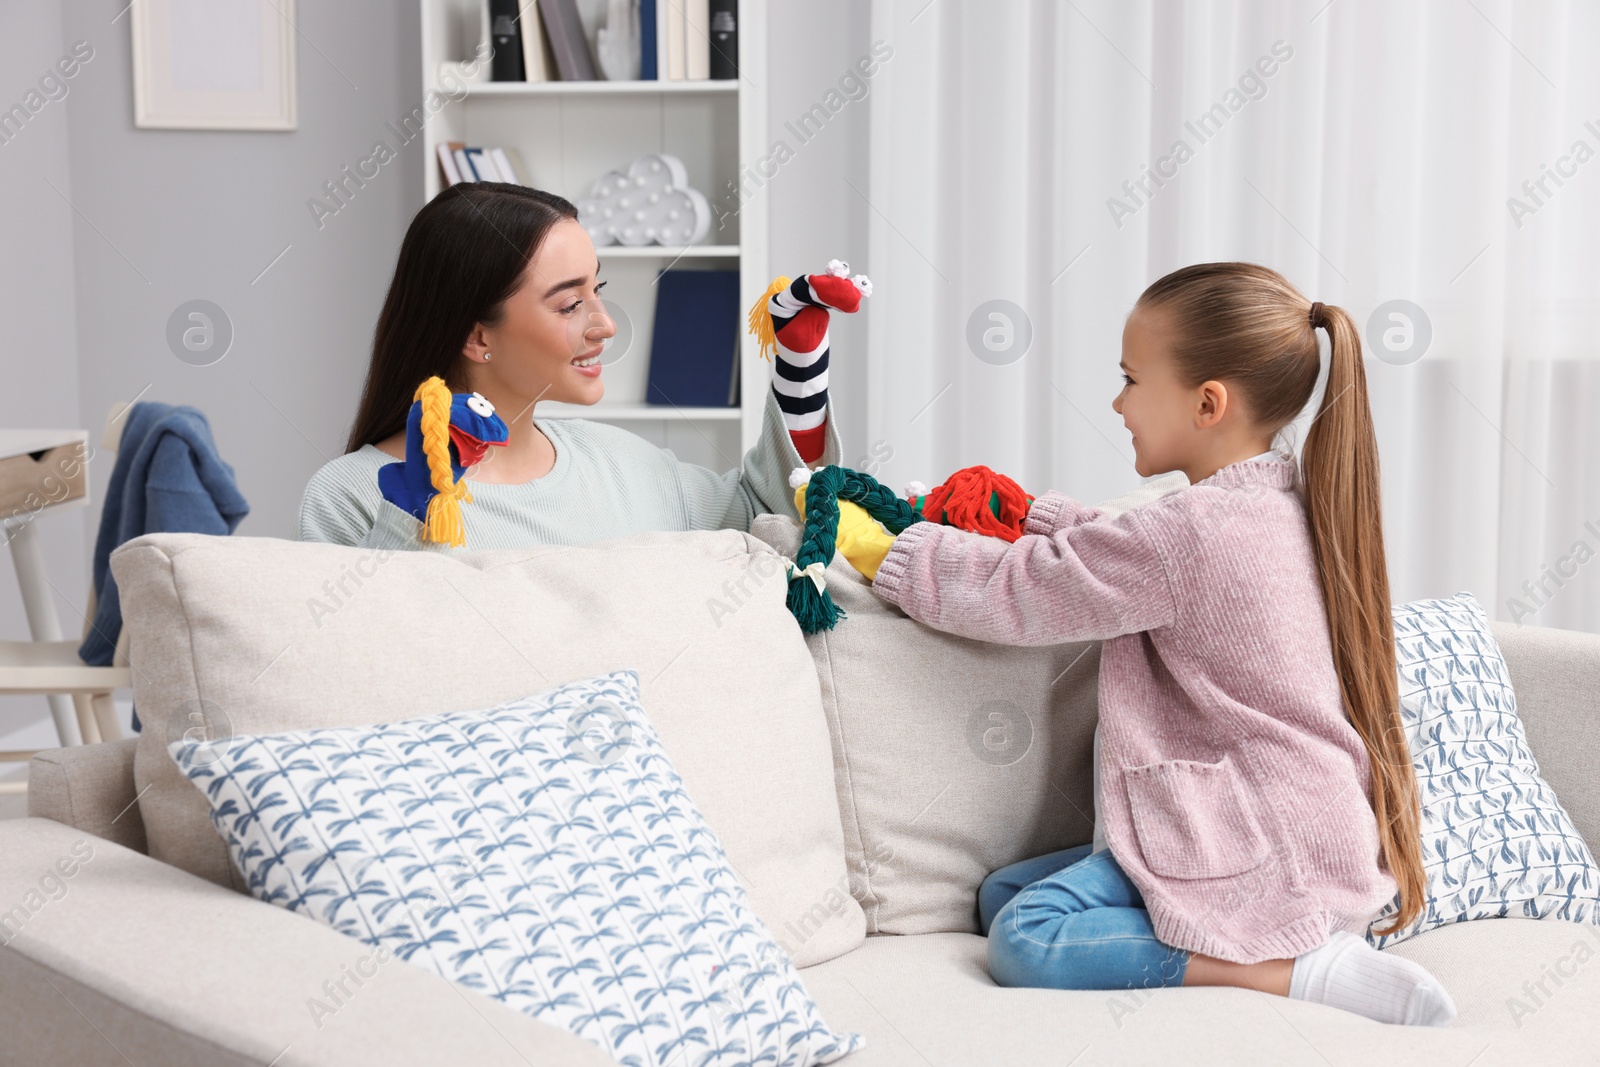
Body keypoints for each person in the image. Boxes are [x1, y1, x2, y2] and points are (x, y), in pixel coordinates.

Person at [867, 262, 1456, 1026]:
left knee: (1025, 937)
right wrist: (1030, 514)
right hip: (1306, 834)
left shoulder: (1190, 534)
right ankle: (1290, 947)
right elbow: (1125, 554)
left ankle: (1286, 970)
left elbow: (1027, 591)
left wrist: (890, 554)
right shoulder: (1270, 506)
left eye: (1131, 379)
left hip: (1254, 849)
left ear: (1208, 403)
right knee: (1001, 892)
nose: (1117, 403)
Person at [297, 182, 860, 550]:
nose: (605, 324)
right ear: (476, 335)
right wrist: (412, 513)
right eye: (570, 304)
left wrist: (799, 362)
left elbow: (768, 514)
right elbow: (367, 670)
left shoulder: (621, 464)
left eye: (599, 289)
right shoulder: (348, 497)